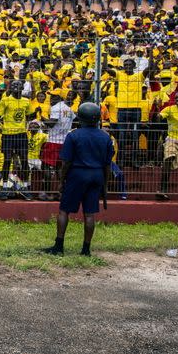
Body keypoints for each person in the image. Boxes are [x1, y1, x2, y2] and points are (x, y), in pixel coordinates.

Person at [43, 103, 114, 257]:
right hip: (97, 175)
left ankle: (59, 246)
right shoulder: (105, 137)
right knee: (89, 214)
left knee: (64, 211)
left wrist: (62, 181)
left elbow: (66, 162)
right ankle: (86, 249)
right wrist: (105, 184)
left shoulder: (73, 135)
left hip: (77, 174)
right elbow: (108, 164)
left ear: (80, 118)